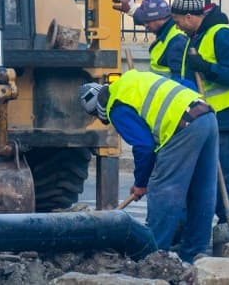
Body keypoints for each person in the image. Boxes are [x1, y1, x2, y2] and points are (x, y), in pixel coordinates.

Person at [79, 69, 218, 263]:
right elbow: (182, 83)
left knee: (163, 191)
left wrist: (141, 183)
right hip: (205, 114)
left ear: (96, 108)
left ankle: (153, 256)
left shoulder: (115, 106)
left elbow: (144, 147)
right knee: (202, 191)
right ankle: (195, 256)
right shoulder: (130, 80)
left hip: (181, 126)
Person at [170, 0, 229, 230]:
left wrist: (206, 67)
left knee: (225, 176)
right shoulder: (196, 36)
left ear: (188, 17)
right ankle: (207, 223)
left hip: (226, 117)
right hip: (207, 117)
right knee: (205, 175)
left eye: (178, 22)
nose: (177, 27)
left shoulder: (222, 35)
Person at [112, 0, 188, 80]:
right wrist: (132, 9)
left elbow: (180, 83)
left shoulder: (177, 42)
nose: (145, 25)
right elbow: (147, 17)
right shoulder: (166, 28)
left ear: (160, 18)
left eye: (147, 21)